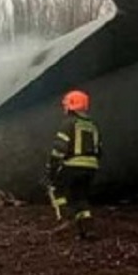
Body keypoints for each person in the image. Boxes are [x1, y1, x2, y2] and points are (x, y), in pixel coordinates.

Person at [46, 89, 101, 240]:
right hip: (91, 168)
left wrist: (51, 168)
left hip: (73, 165)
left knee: (56, 189)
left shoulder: (68, 124)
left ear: (71, 105)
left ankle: (65, 219)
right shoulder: (93, 125)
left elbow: (59, 148)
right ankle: (88, 230)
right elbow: (99, 149)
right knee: (80, 197)